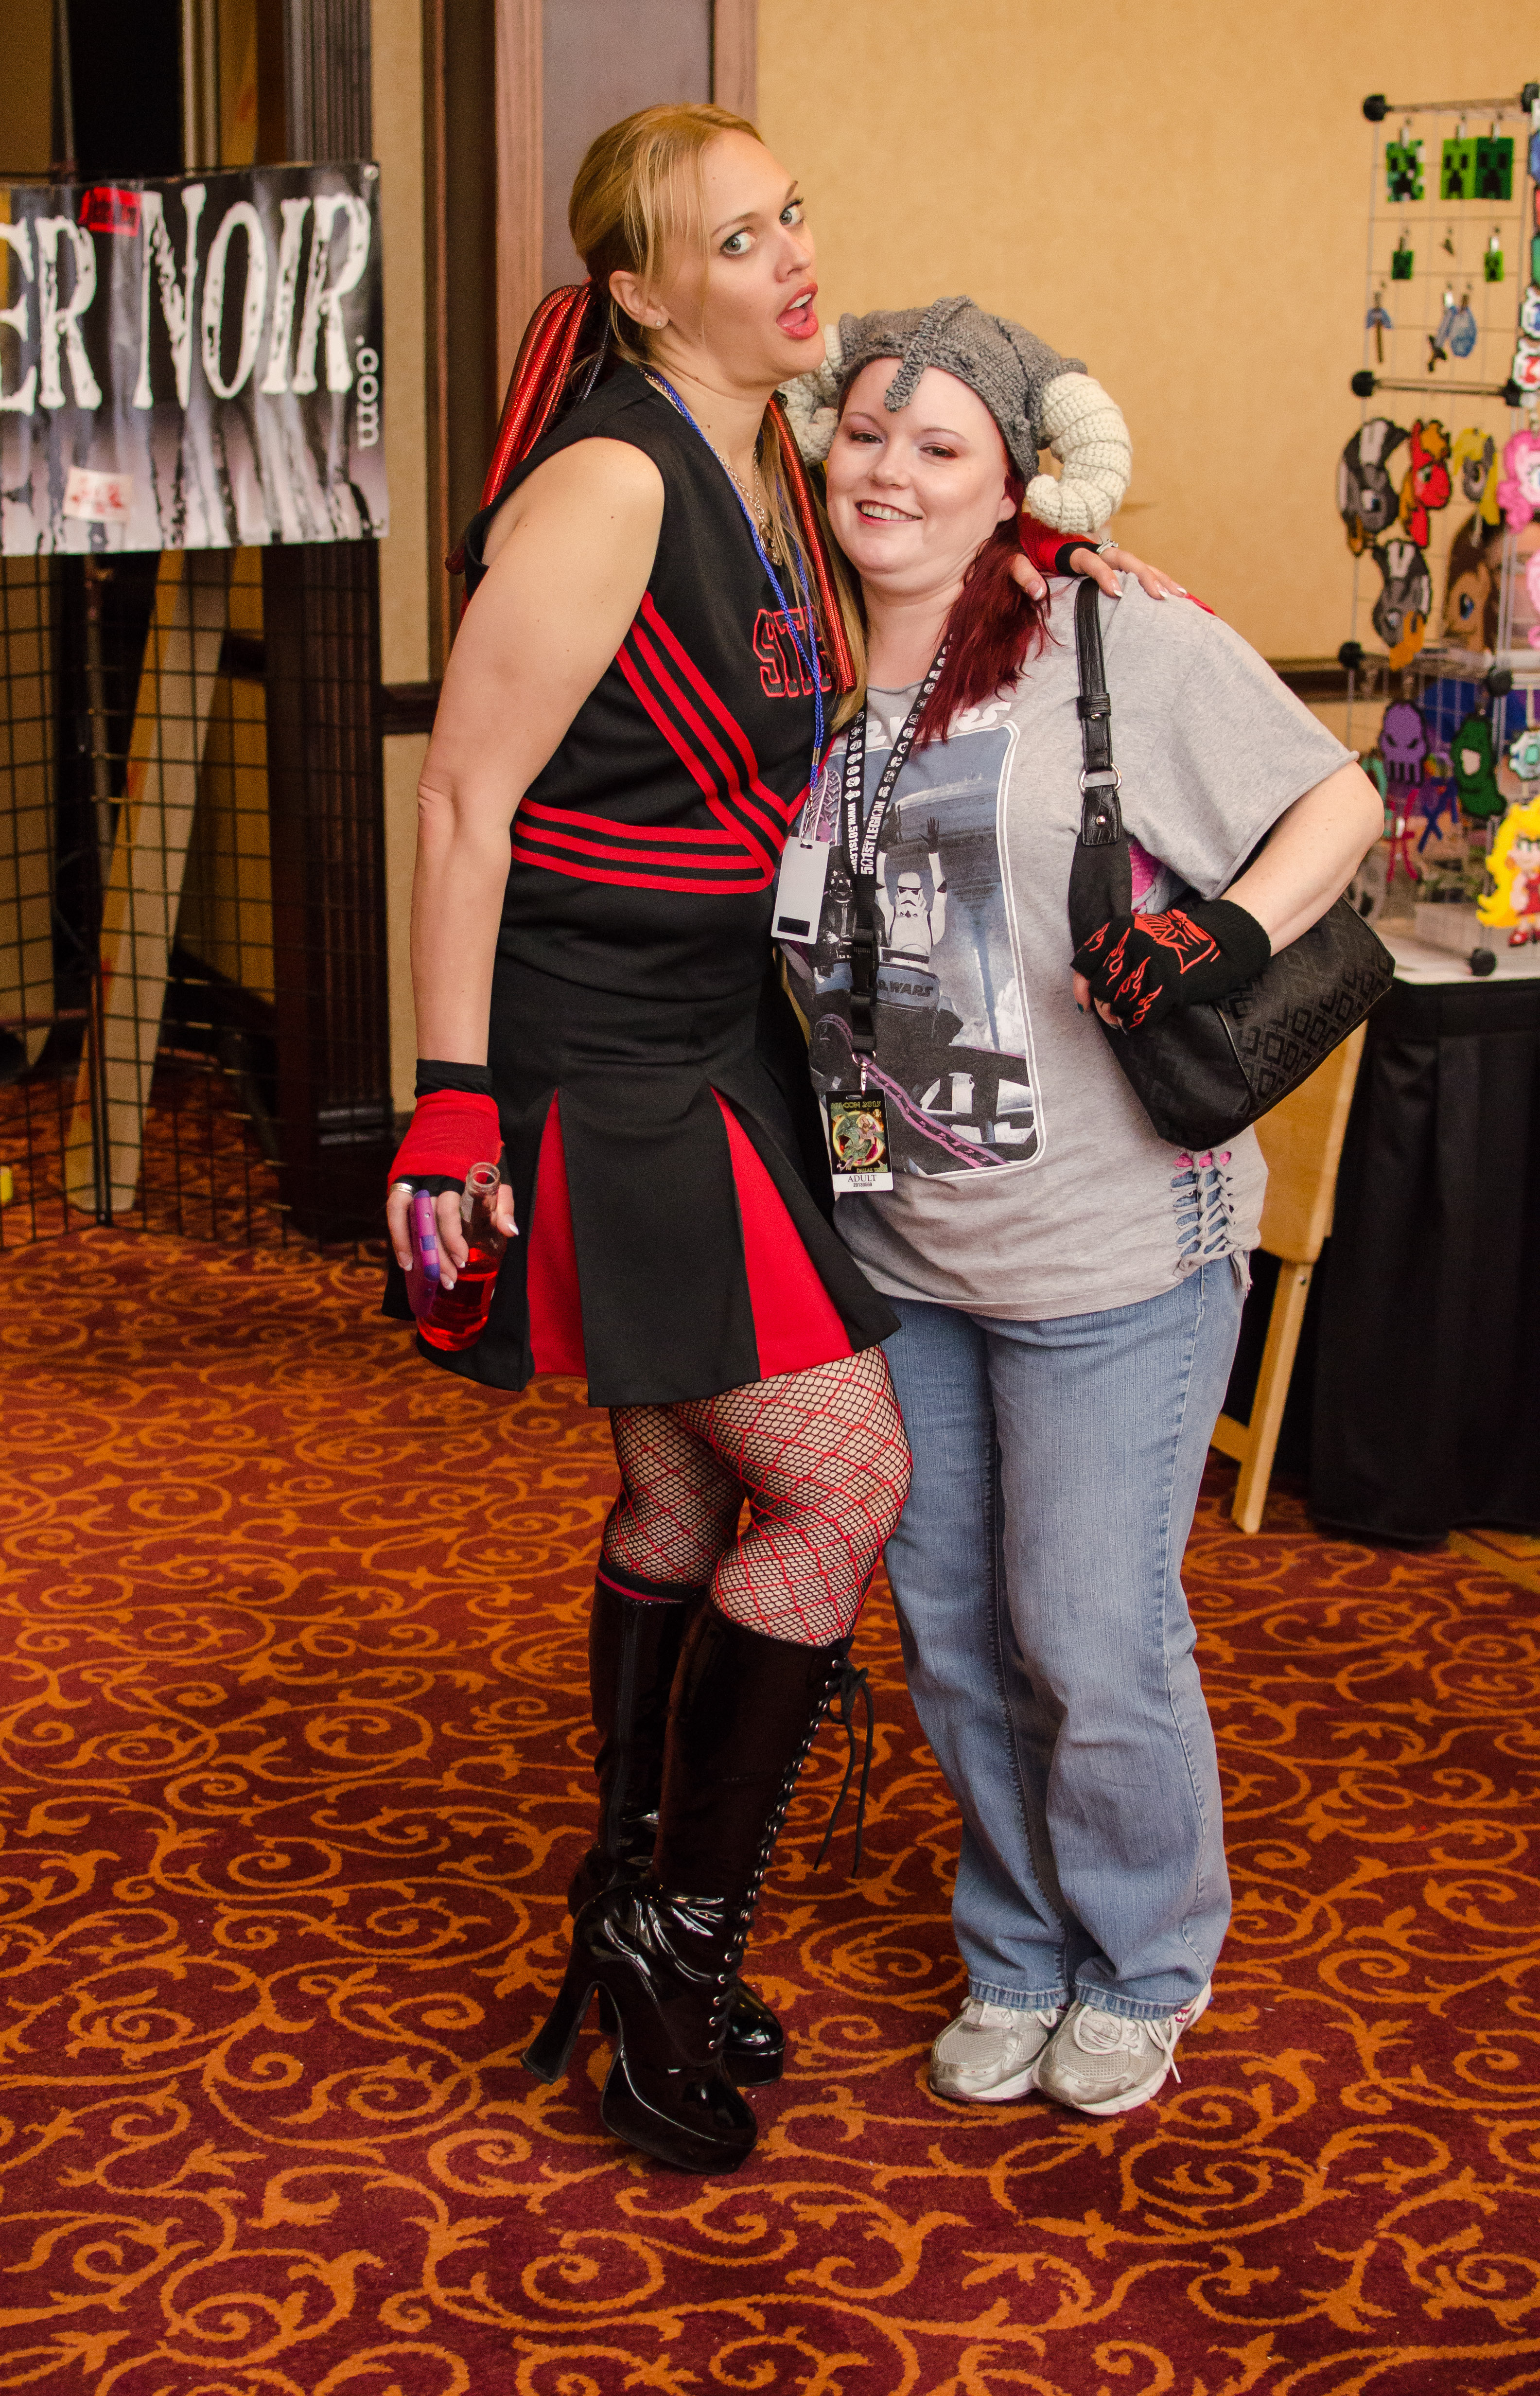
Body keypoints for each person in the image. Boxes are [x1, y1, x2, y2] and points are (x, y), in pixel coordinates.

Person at [385, 108, 1169, 2173]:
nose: (793, 256)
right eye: (738, 239)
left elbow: (871, 636)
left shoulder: (759, 464)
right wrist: (449, 1095)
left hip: (725, 1036)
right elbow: (463, 797)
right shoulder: (617, 474)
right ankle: (670, 1932)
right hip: (605, 1052)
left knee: (681, 1488)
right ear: (645, 290)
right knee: (844, 1483)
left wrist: (1052, 577)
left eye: (792, 214)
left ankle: (624, 1900)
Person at [780, 301, 1384, 2120]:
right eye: (867, 432)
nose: (891, 471)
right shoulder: (789, 666)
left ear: (1015, 486)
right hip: (902, 1249)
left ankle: (1143, 1959)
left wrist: (1225, 931)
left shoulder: (1113, 635)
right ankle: (1020, 1945)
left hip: (1117, 1247)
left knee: (1089, 1633)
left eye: (940, 445)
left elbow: (1340, 801)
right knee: (954, 1631)